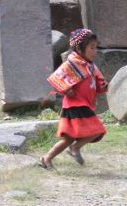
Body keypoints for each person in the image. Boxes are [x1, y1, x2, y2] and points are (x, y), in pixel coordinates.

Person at [40, 28, 108, 169]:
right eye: (92, 48)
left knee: (68, 139)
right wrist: (66, 89)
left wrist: (103, 85)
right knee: (97, 129)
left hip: (84, 105)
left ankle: (46, 158)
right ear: (79, 48)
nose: (95, 51)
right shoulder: (72, 64)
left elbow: (99, 83)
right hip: (75, 105)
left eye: (96, 47)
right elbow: (56, 78)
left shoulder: (91, 67)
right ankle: (75, 148)